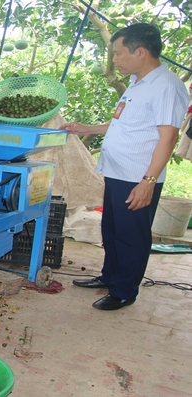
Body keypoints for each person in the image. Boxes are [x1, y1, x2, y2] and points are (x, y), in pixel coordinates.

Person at [60, 23, 188, 311]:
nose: (115, 60)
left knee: (132, 235)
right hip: (118, 172)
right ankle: (109, 276)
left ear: (140, 52)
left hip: (138, 176)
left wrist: (148, 181)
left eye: (118, 53)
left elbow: (168, 138)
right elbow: (123, 123)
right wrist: (86, 127)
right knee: (112, 229)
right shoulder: (137, 83)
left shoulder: (166, 86)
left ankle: (124, 291)